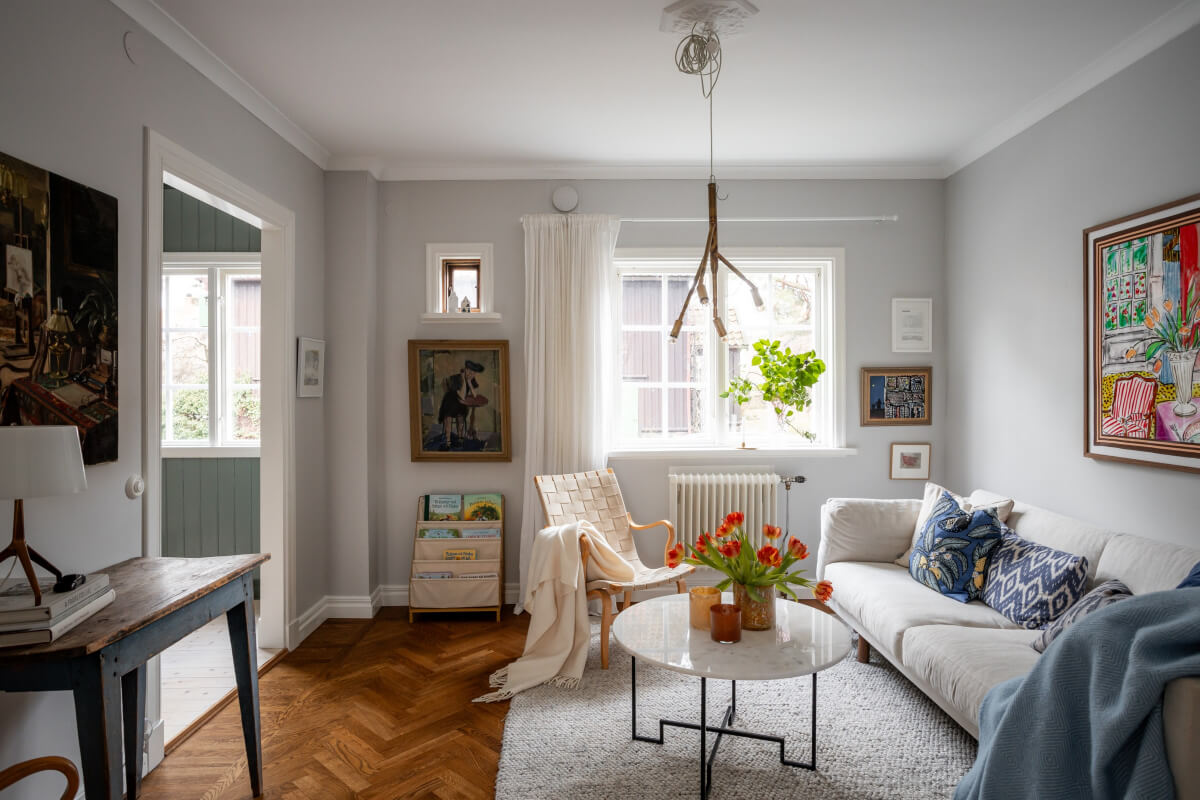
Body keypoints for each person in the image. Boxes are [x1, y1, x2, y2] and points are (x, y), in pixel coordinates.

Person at [437, 359, 489, 448]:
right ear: (466, 370)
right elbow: (461, 395)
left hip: (460, 402)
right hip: (450, 401)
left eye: (474, 373)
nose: (473, 375)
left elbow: (474, 395)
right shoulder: (456, 378)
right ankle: (448, 441)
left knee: (461, 415)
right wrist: (464, 381)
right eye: (471, 372)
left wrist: (469, 381)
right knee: (449, 415)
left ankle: (460, 438)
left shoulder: (471, 379)